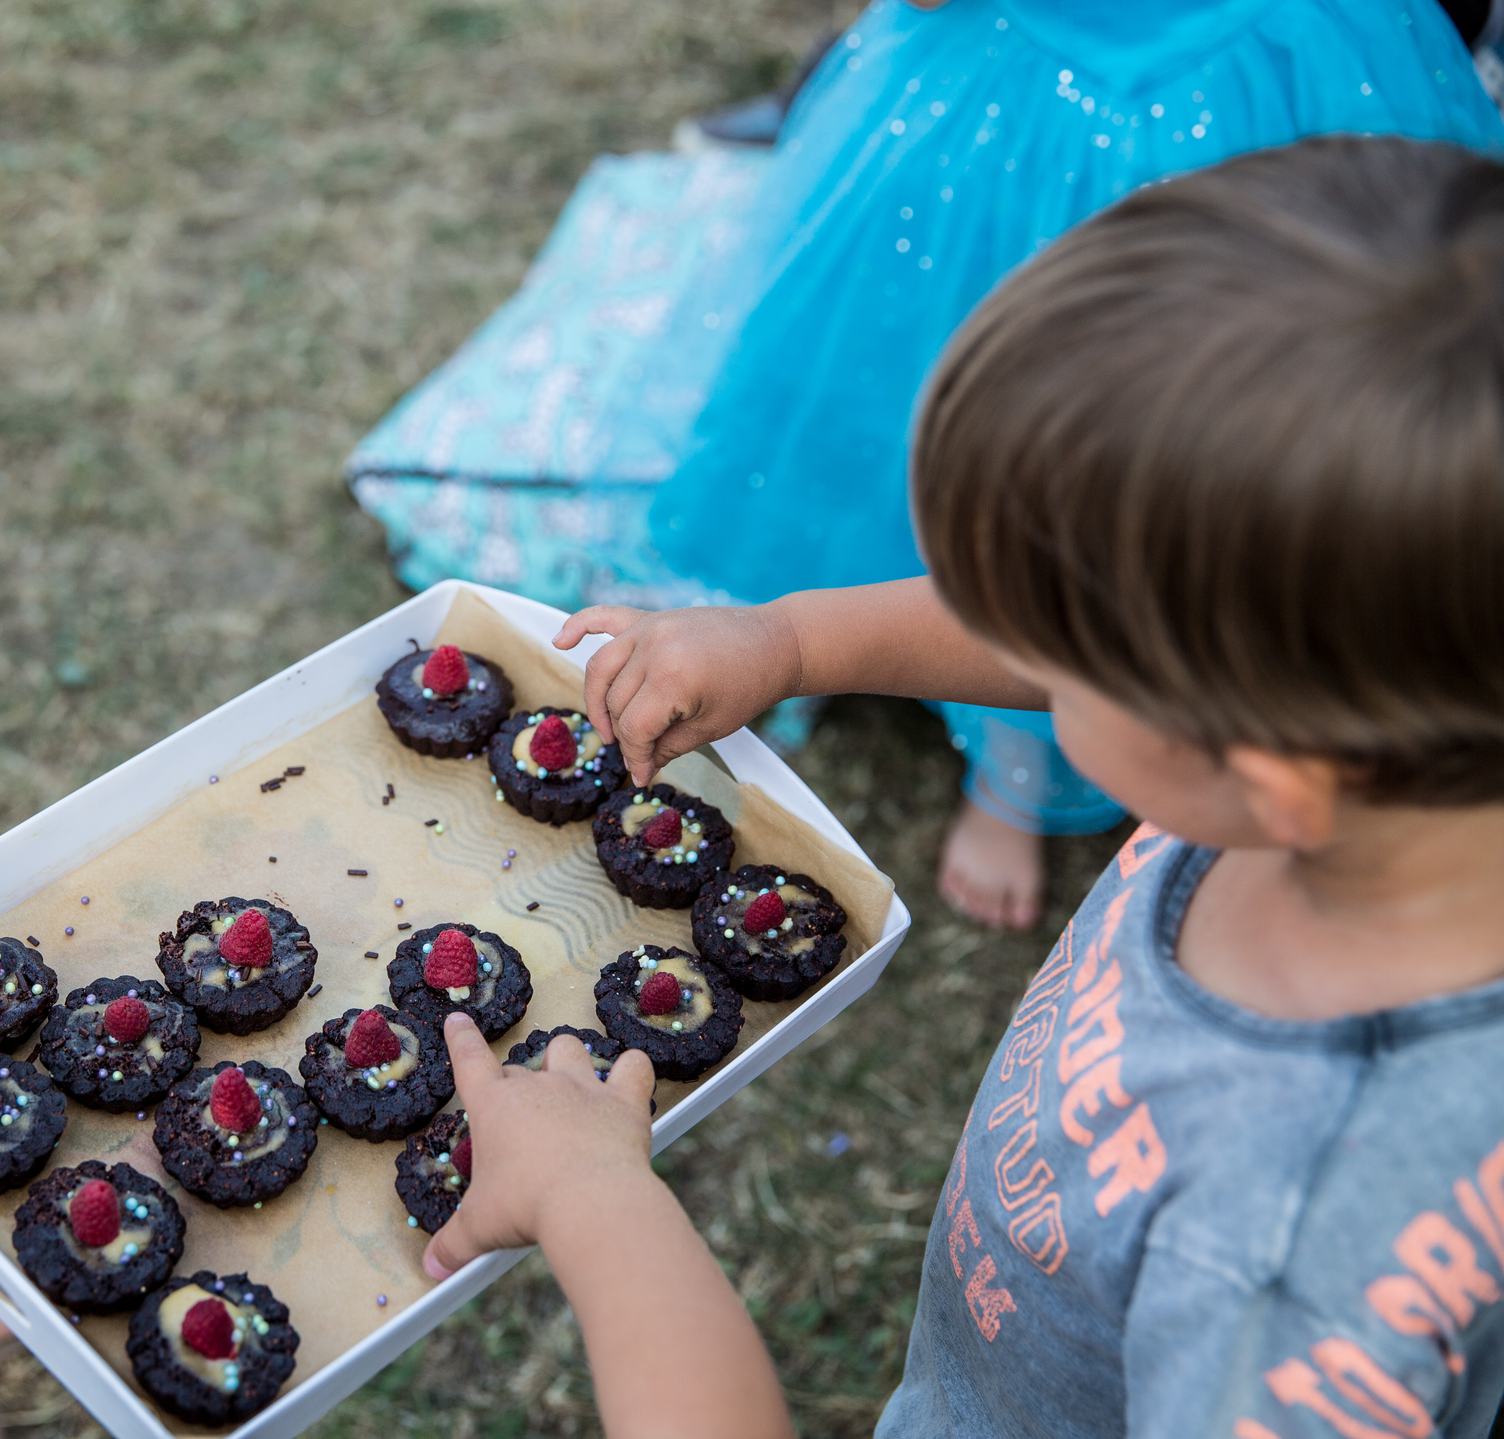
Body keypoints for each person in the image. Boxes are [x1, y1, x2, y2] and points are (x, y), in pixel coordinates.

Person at [419, 135, 1504, 1436]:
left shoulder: (1286, 1273)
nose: (1006, 628)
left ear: (1263, 763)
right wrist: (799, 641)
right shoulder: (1398, 732)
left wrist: (594, 1196)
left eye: (1051, 626)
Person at [349, 0, 1504, 934]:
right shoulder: (1257, 629)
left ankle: (1009, 788)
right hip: (1016, 98)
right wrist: (790, 641)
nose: (1036, 622)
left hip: (1245, 87)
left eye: (1074, 625)